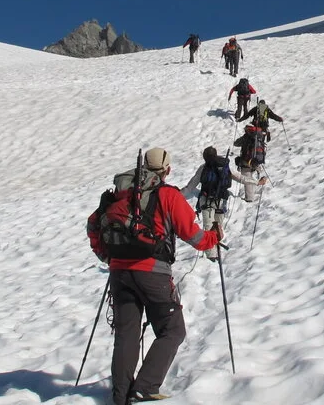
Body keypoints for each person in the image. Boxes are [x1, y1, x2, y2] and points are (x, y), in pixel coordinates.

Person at [87, 147, 223, 405]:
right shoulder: (168, 195)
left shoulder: (119, 194)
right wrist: (214, 237)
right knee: (173, 329)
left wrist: (108, 257)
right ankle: (145, 388)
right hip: (152, 274)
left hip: (119, 273)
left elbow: (94, 224)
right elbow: (194, 236)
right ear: (167, 170)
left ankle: (120, 396)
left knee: (126, 335)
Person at [181, 146, 245, 261]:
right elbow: (239, 177)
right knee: (218, 225)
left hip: (207, 200)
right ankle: (217, 245)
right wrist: (256, 182)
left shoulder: (204, 168)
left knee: (208, 226)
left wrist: (178, 196)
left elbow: (191, 186)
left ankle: (211, 254)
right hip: (222, 200)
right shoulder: (224, 166)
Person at [232, 124, 270, 201]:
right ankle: (255, 190)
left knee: (246, 179)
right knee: (250, 177)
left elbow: (236, 143)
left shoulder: (246, 137)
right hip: (256, 162)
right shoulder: (259, 136)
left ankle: (249, 199)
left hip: (246, 162)